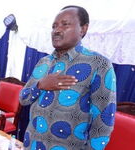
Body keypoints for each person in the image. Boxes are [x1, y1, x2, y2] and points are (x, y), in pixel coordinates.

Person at [19, 6, 116, 150]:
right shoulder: (43, 63)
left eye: (65, 24)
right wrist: (40, 85)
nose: (56, 30)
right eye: (54, 26)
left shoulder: (99, 64)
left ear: (83, 29)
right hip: (30, 144)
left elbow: (104, 121)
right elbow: (23, 98)